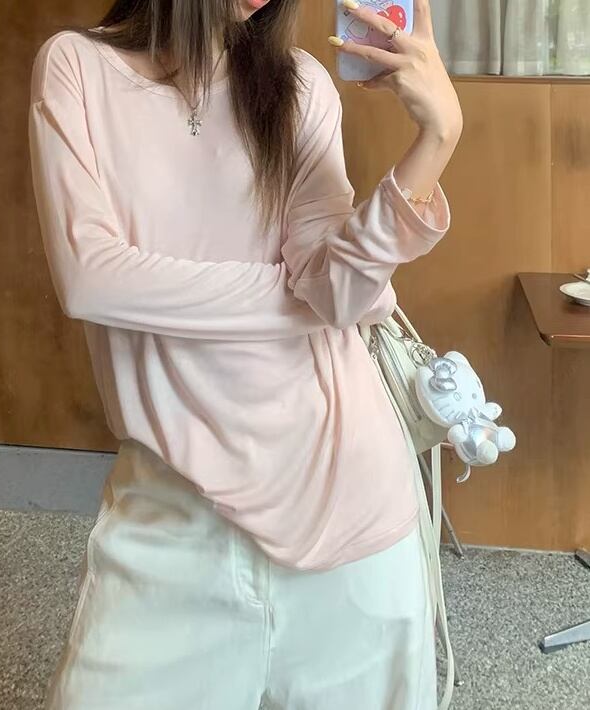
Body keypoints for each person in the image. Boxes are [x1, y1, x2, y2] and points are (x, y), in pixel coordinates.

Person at [28, 0, 463, 708]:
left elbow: (338, 291)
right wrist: (293, 295)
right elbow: (91, 279)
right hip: (174, 509)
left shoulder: (301, 84)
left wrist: (436, 138)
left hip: (347, 500)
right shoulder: (79, 67)